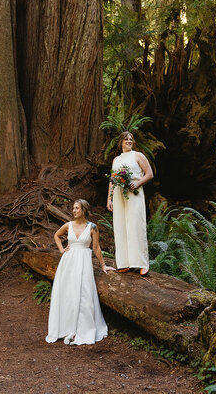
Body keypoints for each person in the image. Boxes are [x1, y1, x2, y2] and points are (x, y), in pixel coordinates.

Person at [46, 199, 114, 345]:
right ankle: (66, 327)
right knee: (67, 293)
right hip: (68, 263)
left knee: (84, 294)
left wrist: (103, 266)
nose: (74, 211)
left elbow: (96, 248)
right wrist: (61, 250)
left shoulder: (92, 227)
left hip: (83, 263)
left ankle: (82, 328)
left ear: (83, 210)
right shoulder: (68, 225)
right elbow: (56, 236)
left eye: (77, 208)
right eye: (73, 208)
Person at [107, 131, 153, 276]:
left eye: (131, 139)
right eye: (126, 139)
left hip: (134, 192)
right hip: (119, 194)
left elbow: (149, 174)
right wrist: (109, 198)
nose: (129, 141)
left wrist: (138, 183)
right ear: (120, 142)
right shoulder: (116, 160)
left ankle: (141, 263)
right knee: (121, 226)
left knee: (135, 225)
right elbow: (112, 180)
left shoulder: (138, 156)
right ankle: (124, 262)